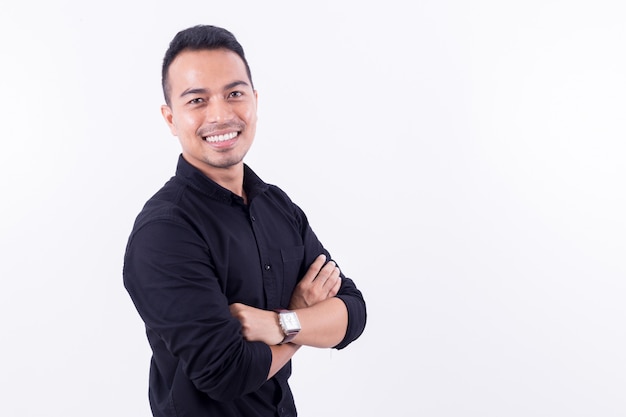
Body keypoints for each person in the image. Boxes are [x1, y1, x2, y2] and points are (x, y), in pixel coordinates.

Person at [123, 24, 367, 417]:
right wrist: (303, 321)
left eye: (234, 94)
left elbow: (353, 312)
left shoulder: (277, 207)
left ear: (254, 100)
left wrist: (280, 322)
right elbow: (226, 374)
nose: (220, 115)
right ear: (170, 118)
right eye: (197, 100)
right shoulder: (164, 232)